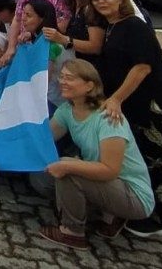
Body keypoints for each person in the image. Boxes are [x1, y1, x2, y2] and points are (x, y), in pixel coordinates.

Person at [90, 0, 162, 237]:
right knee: (147, 159)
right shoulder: (112, 26)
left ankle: (160, 221)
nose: (101, 1)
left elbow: (142, 67)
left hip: (160, 107)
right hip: (137, 106)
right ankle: (161, 206)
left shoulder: (134, 27)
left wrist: (116, 98)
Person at [37, 59, 155, 251]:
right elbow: (45, 138)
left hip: (135, 195)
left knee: (67, 170)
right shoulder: (67, 110)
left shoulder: (108, 117)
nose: (62, 82)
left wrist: (68, 165)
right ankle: (109, 214)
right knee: (43, 180)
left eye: (70, 78)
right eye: (62, 77)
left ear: (89, 85)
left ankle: (73, 232)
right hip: (110, 184)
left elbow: (110, 170)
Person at [42, 0, 103, 65]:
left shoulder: (91, 7)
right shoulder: (74, 6)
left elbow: (96, 47)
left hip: (92, 69)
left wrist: (64, 39)